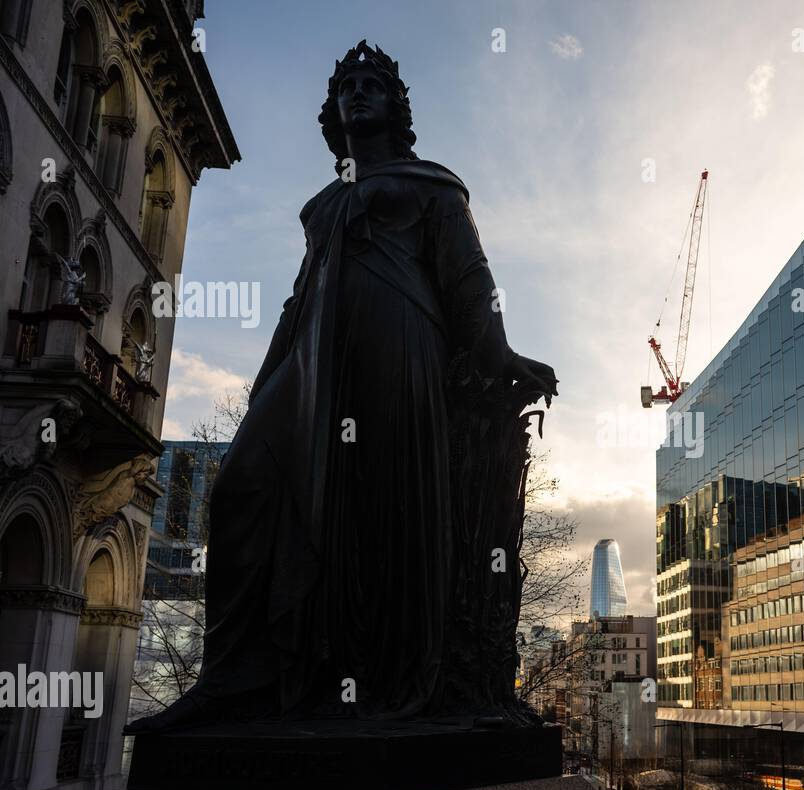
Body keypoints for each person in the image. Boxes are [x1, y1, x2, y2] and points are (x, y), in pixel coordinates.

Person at [126, 41, 557, 731]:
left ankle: (375, 682)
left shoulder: (431, 185)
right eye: (347, 86)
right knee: (241, 485)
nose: (357, 93)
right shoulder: (324, 205)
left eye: (372, 85)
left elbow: (471, 281)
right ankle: (235, 676)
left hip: (398, 346)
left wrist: (502, 353)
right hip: (315, 362)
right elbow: (297, 305)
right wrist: (269, 387)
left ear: (395, 105)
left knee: (379, 510)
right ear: (333, 112)